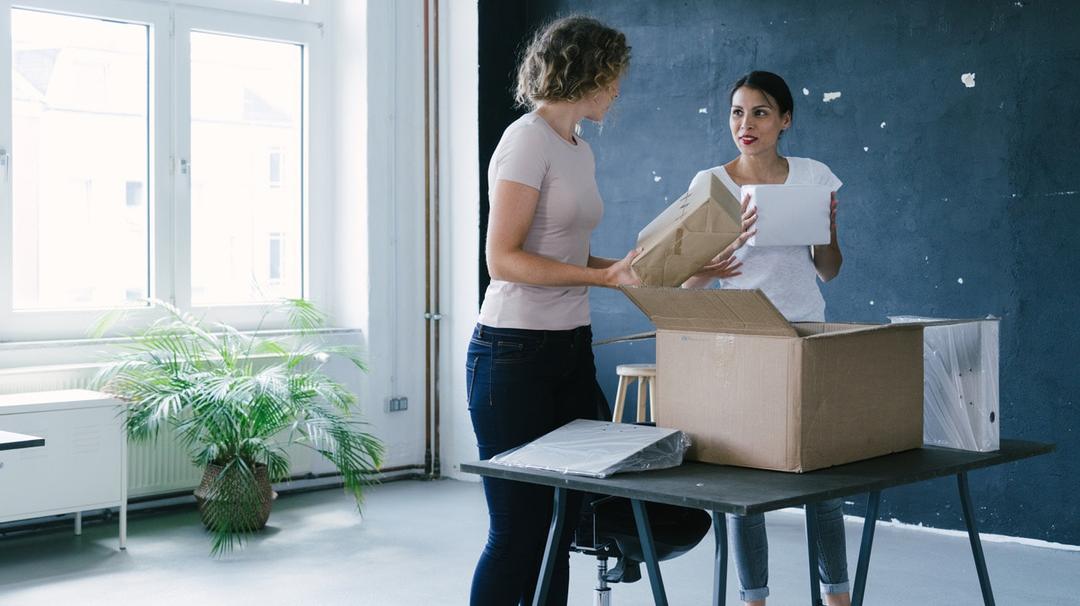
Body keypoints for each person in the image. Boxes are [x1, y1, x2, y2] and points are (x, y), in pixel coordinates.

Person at [465, 16, 638, 606]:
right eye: (614, 76)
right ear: (589, 70)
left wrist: (630, 268)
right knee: (519, 531)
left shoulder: (578, 149)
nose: (618, 89)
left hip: (569, 348)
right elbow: (504, 259)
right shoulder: (526, 139)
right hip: (512, 354)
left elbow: (565, 250)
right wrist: (599, 277)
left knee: (560, 531)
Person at [682, 70, 850, 606]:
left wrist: (823, 230)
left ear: (785, 120)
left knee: (821, 472)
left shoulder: (813, 175)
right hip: (740, 337)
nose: (745, 124)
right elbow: (689, 282)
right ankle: (753, 597)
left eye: (759, 112)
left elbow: (829, 270)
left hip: (805, 328)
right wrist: (709, 262)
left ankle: (836, 595)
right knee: (744, 479)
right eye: (737, 112)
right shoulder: (711, 183)